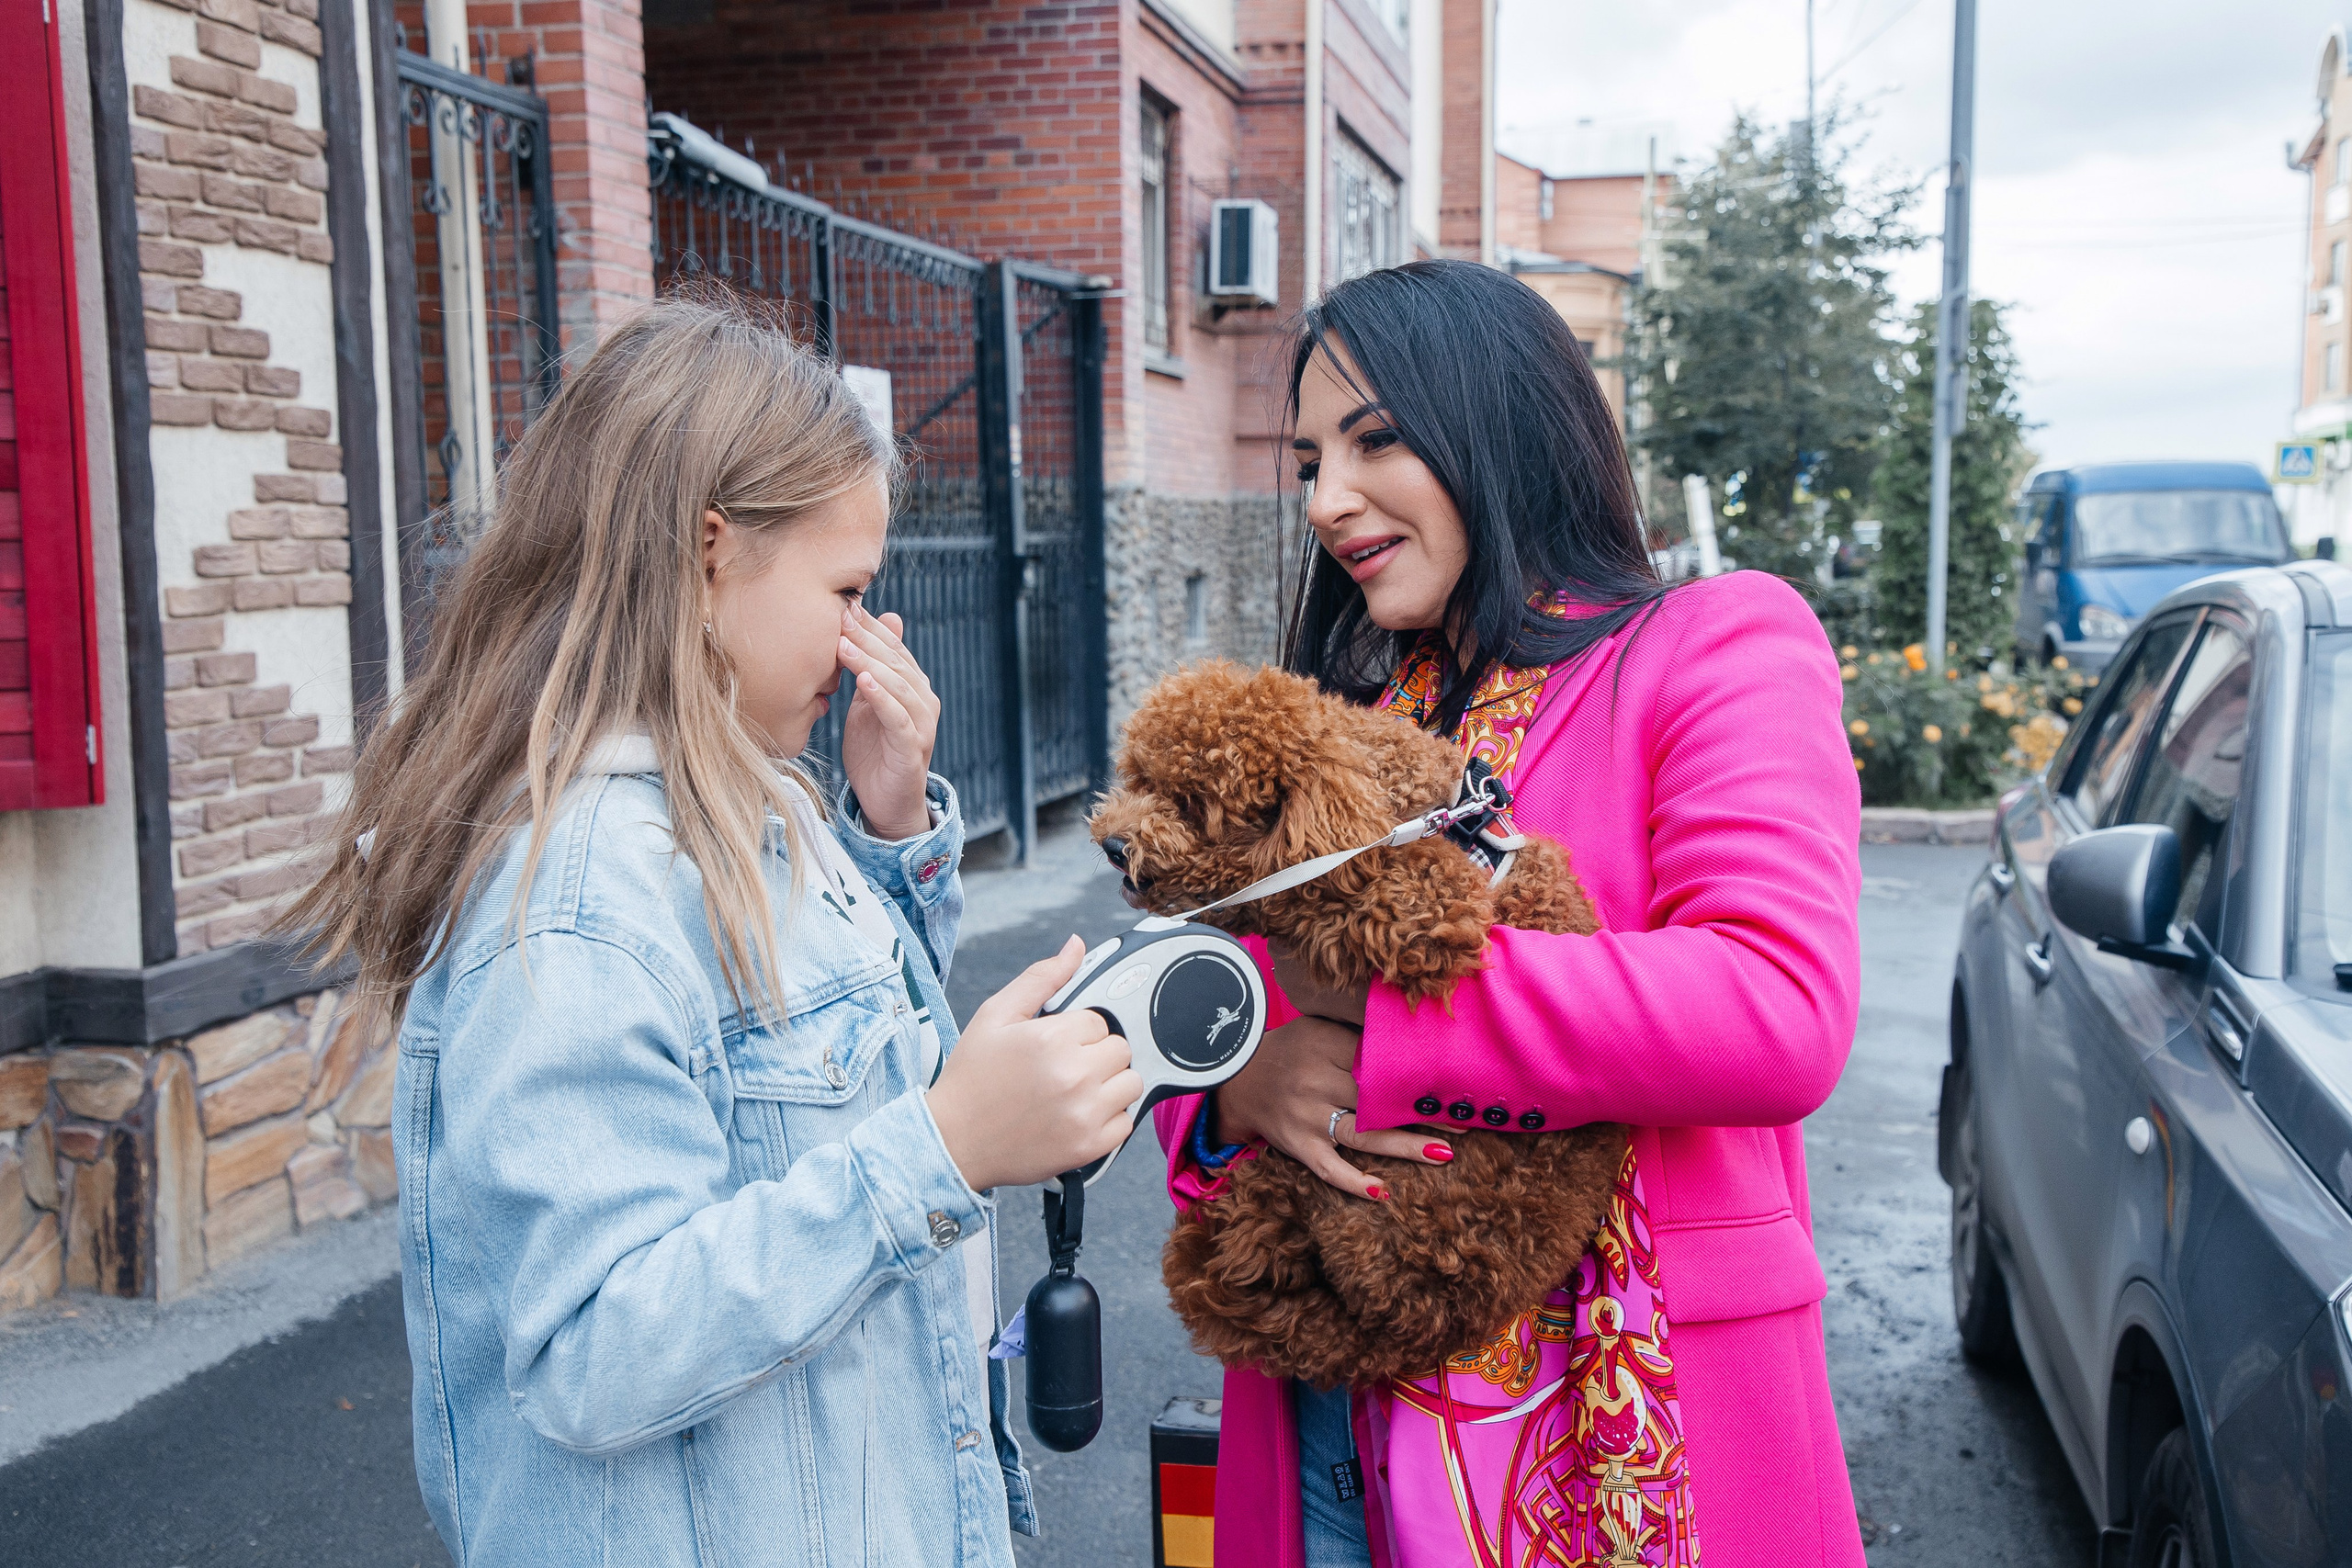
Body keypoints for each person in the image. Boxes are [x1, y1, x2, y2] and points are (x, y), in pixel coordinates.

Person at [289, 294, 1142, 1567]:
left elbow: (808, 1076)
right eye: (847, 587)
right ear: (705, 559)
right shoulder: (579, 901)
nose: (866, 635)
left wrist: (888, 828)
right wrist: (947, 1148)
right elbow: (594, 1346)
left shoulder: (750, 803)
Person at [1152, 260, 1866, 1567]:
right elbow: (1227, 1003)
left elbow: (1777, 1007)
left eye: (1375, 441)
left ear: (1507, 423)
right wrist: (1235, 1088)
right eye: (1308, 458)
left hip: (1620, 1429)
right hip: (1332, 1427)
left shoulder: (1712, 646)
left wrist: (1385, 1028)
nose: (1329, 499)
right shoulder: (1356, 722)